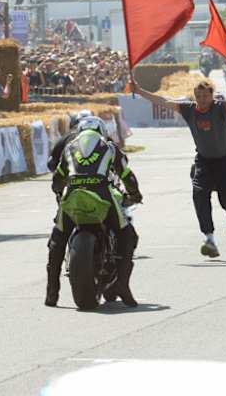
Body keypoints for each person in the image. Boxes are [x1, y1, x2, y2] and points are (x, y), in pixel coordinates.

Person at [132, 72, 226, 257]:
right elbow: (163, 101)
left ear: (212, 95)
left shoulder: (220, 108)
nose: (201, 100)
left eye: (205, 96)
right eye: (198, 96)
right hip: (203, 161)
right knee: (199, 195)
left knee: (225, 200)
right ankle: (209, 238)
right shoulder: (189, 110)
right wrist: (140, 91)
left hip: (223, 161)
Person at [46, 117, 143, 307]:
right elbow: (127, 175)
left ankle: (52, 292)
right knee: (127, 235)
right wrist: (135, 194)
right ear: (102, 132)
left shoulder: (69, 147)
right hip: (102, 195)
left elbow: (57, 179)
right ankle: (122, 284)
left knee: (57, 240)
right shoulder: (110, 147)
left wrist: (59, 194)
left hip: (73, 196)